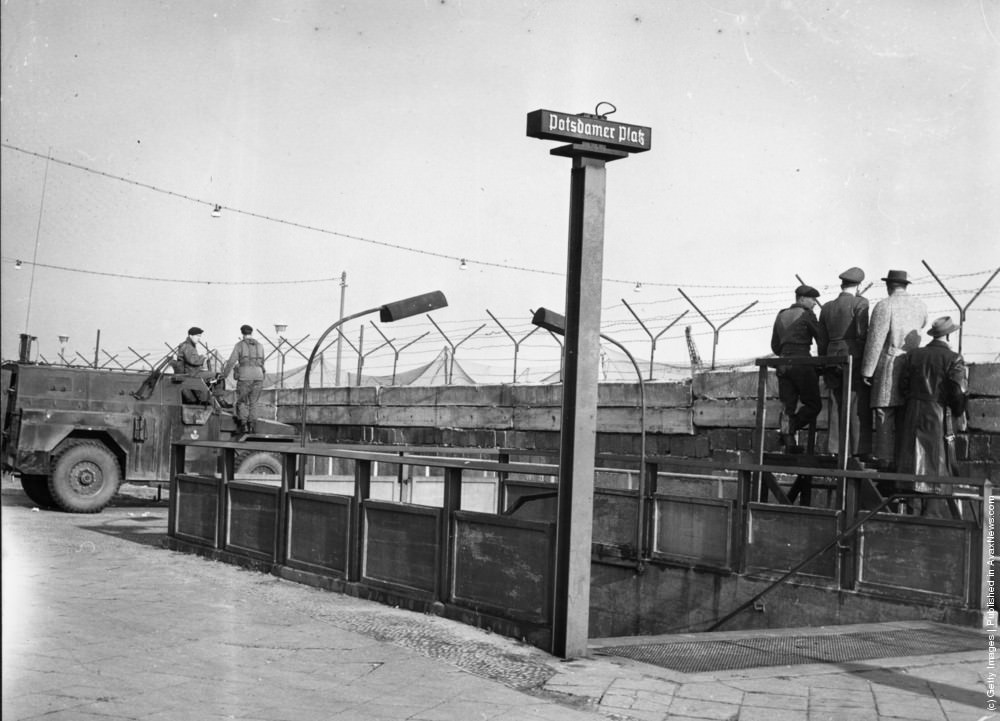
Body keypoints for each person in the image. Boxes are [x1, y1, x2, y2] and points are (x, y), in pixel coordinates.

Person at [897, 316, 967, 516]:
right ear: (948, 335)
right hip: (937, 415)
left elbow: (903, 385)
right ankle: (931, 518)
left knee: (913, 466)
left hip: (912, 412)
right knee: (936, 467)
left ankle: (912, 516)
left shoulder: (913, 355)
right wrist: (958, 411)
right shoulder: (954, 358)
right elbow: (956, 392)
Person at [860, 270, 927, 470]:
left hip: (890, 364)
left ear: (889, 285)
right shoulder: (920, 305)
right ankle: (905, 461)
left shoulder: (884, 305)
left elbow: (875, 340)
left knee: (884, 412)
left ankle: (885, 460)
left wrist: (867, 370)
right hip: (913, 365)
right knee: (907, 413)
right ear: (905, 285)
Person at [818, 267, 872, 458]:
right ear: (858, 286)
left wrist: (824, 361)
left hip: (831, 356)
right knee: (856, 401)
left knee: (834, 400)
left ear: (842, 284)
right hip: (853, 357)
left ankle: (834, 448)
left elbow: (822, 340)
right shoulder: (861, 303)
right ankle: (857, 450)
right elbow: (862, 334)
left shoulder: (826, 307)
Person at [771, 285, 828, 452]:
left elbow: (774, 345)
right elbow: (821, 340)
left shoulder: (781, 314)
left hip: (783, 364)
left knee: (787, 405)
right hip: (802, 364)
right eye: (812, 299)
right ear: (802, 299)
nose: (815, 303)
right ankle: (790, 428)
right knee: (813, 405)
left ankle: (789, 441)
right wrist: (823, 361)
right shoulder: (807, 314)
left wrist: (785, 354)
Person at [223, 325, 266, 434]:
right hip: (259, 376)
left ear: (242, 334)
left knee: (242, 401)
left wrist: (224, 375)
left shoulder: (239, 345)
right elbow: (262, 362)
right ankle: (252, 426)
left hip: (245, 377)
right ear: (251, 333)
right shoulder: (260, 346)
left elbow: (231, 361)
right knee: (254, 402)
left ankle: (244, 425)